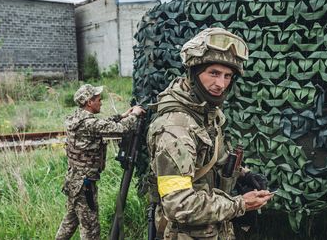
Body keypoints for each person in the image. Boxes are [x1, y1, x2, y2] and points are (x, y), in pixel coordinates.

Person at [147, 27, 273, 240]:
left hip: (213, 229)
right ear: (194, 72)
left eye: (227, 76)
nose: (220, 84)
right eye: (213, 73)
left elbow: (217, 159)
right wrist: (241, 204)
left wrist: (244, 174)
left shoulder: (205, 113)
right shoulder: (175, 128)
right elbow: (179, 205)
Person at [55, 84, 145, 240]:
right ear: (89, 103)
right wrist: (135, 115)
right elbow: (119, 129)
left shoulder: (76, 118)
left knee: (70, 222)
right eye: (98, 99)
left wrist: (121, 116)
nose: (101, 101)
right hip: (84, 185)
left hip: (73, 180)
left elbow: (102, 125)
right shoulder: (89, 124)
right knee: (91, 230)